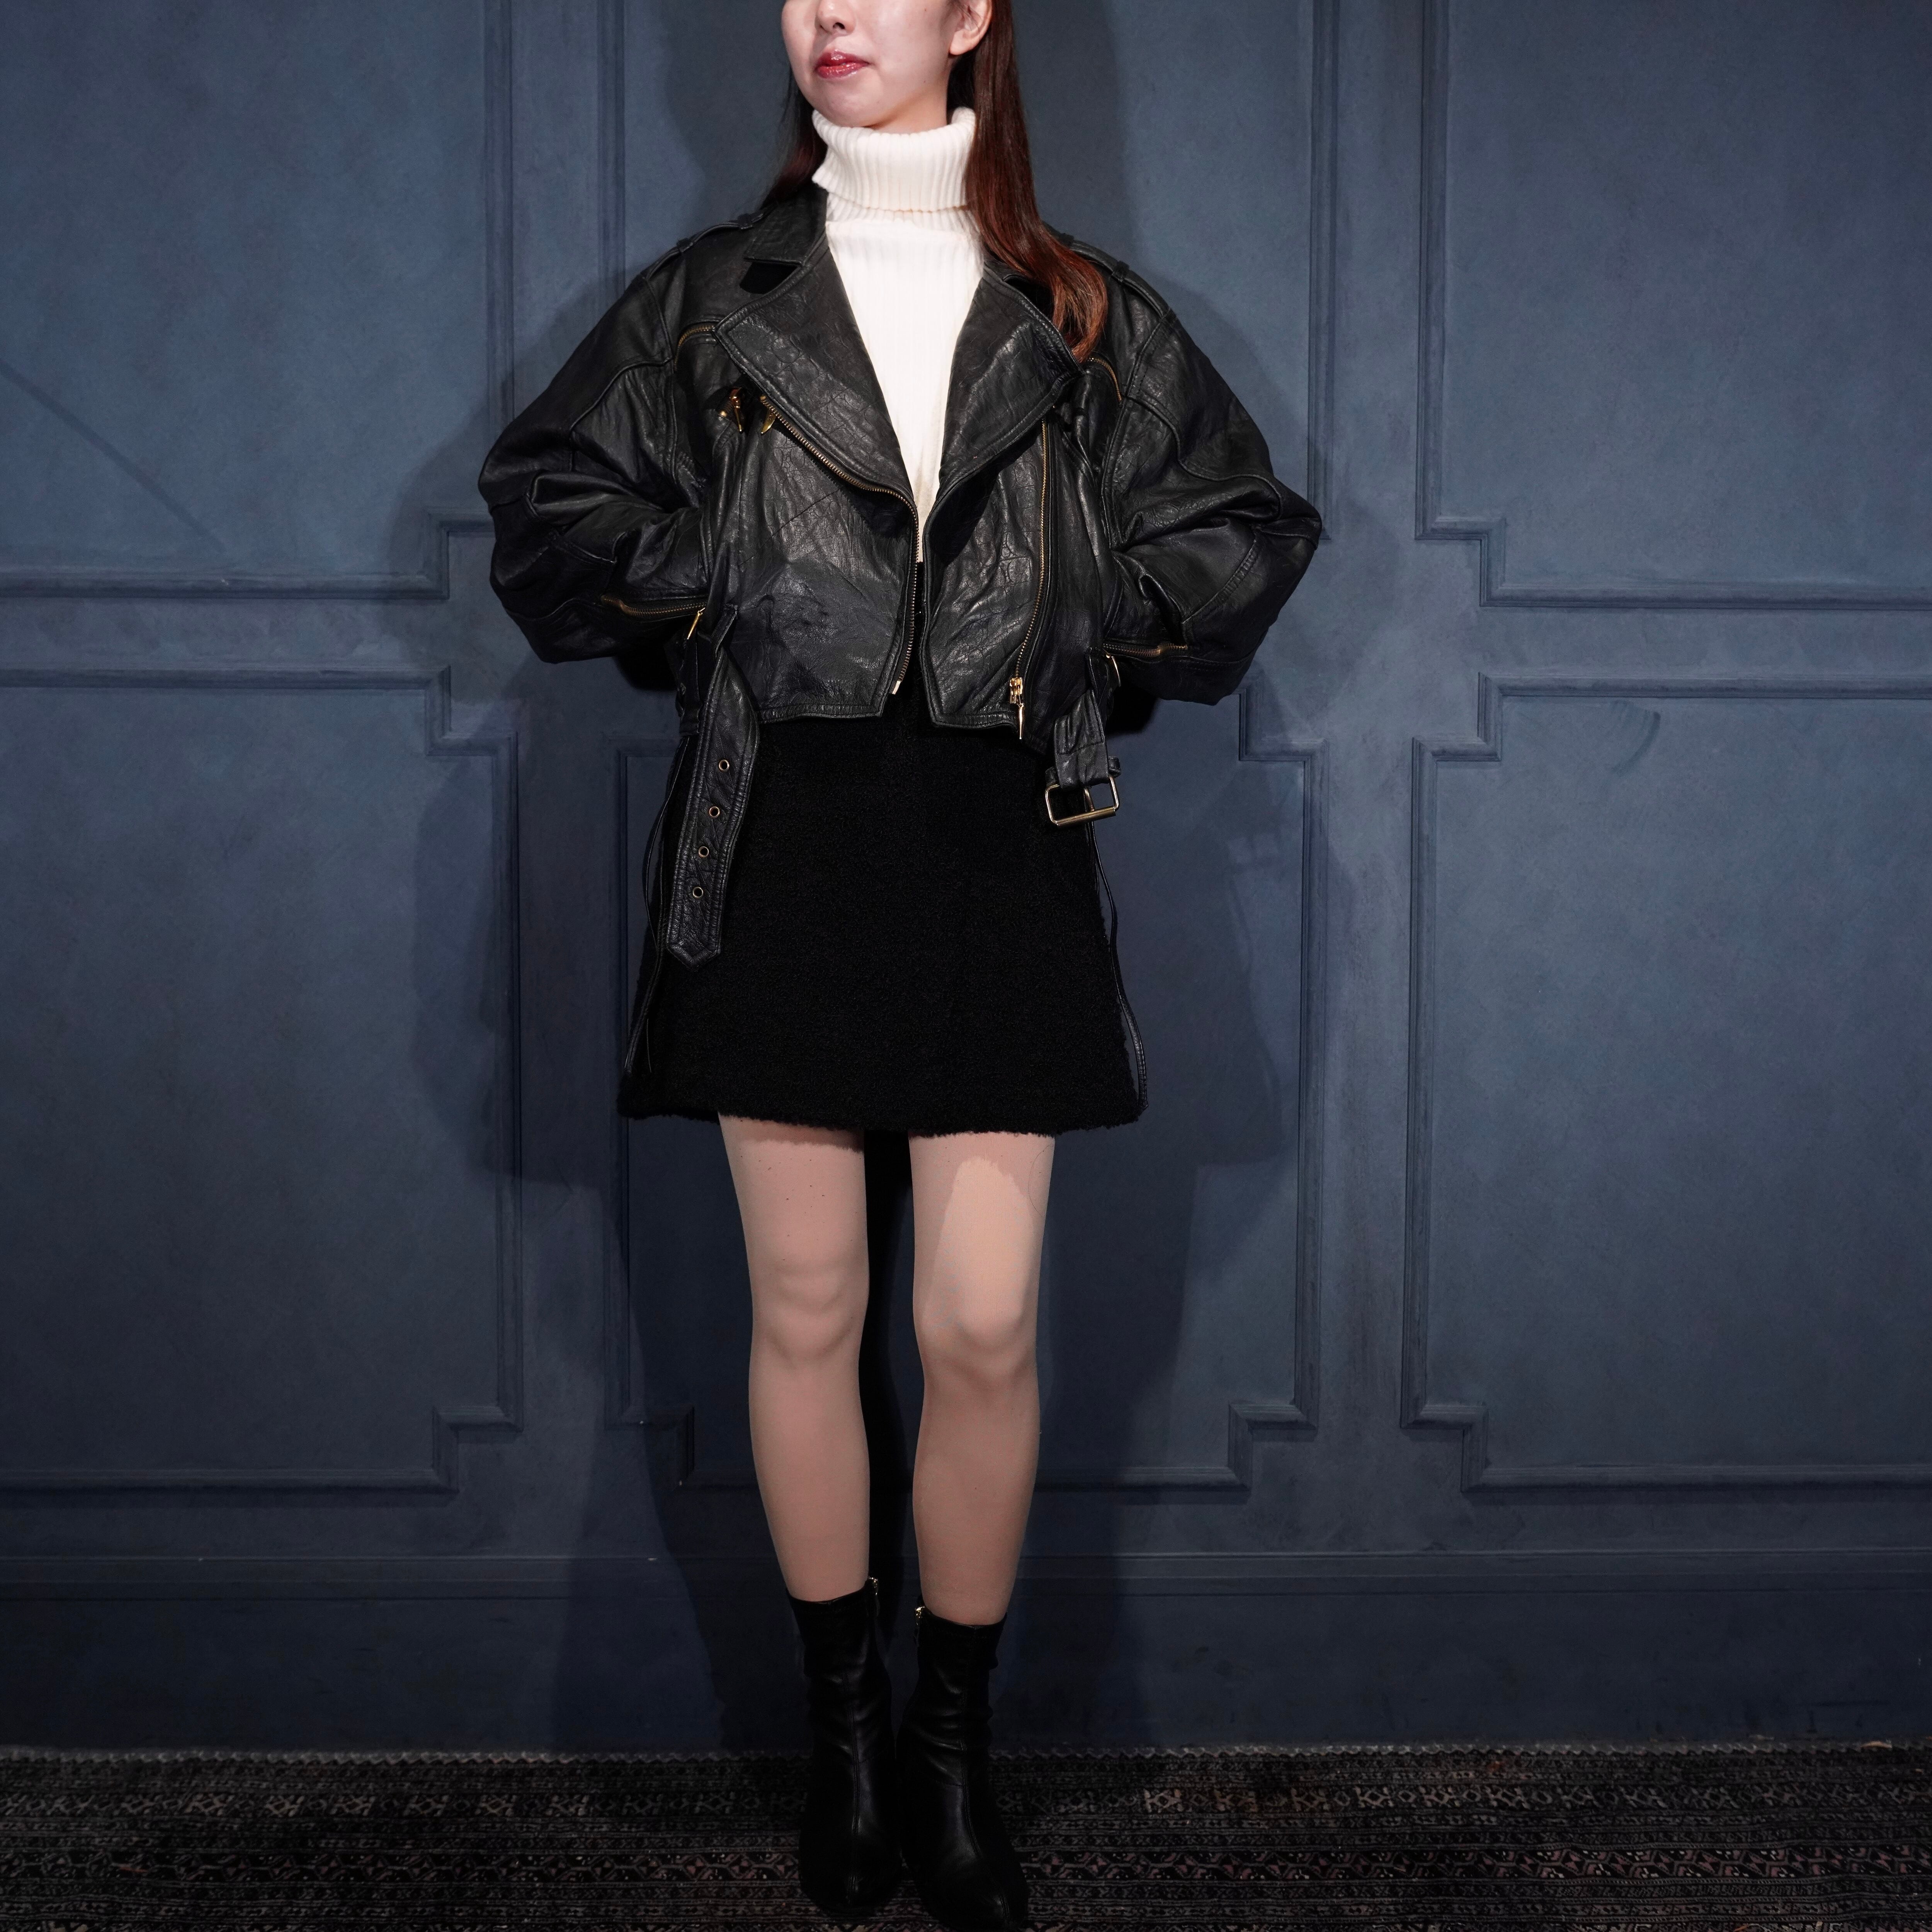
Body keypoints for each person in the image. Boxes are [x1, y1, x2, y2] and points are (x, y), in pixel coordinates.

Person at [478, 2, 1321, 1922]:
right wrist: (735, 581)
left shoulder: (1083, 315)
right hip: (775, 830)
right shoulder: (710, 302)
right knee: (802, 1306)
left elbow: (1239, 532)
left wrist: (1071, 607)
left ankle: (952, 1744)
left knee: (979, 1323)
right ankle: (843, 1737)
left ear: (970, 17)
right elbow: (548, 510)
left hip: (999, 839)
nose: (827, 12)